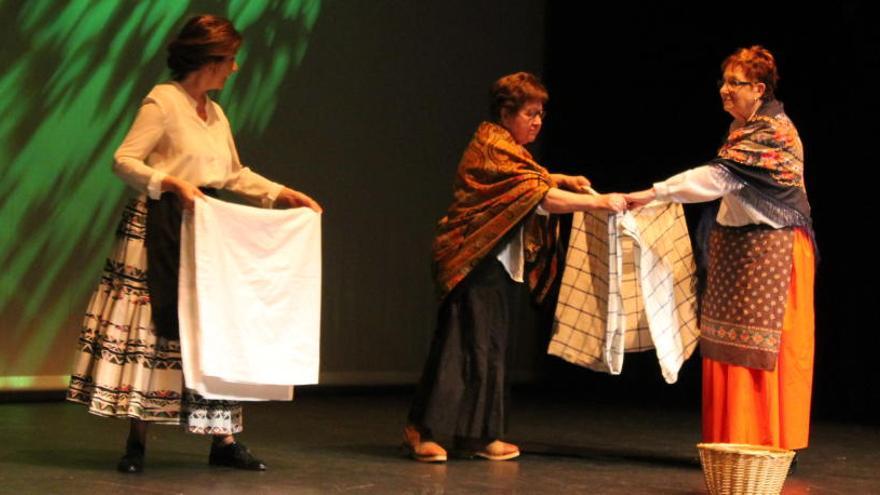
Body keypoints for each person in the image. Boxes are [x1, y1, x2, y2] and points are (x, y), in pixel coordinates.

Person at [66, 14, 321, 473]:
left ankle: (223, 439)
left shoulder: (216, 113)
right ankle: (137, 441)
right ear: (209, 60)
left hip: (205, 231)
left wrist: (280, 193)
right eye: (231, 60)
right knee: (153, 323)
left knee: (214, 330)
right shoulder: (164, 102)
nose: (236, 69)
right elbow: (124, 160)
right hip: (158, 227)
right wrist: (169, 183)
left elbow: (231, 173)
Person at [404, 72, 627, 462]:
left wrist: (561, 178)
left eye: (541, 114)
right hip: (471, 258)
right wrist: (597, 202)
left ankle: (479, 435)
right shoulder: (491, 146)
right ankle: (422, 429)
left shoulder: (510, 150)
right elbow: (535, 196)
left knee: (489, 347)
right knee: (459, 346)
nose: (538, 121)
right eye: (530, 113)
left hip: (497, 262)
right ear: (506, 113)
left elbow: (533, 181)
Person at [625, 46, 815, 454]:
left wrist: (652, 194)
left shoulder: (773, 132)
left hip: (774, 251)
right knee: (727, 344)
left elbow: (716, 180)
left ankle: (766, 443)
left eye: (735, 83)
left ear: (759, 89)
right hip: (741, 249)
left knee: (761, 348)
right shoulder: (741, 130)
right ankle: (732, 440)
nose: (725, 91)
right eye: (723, 82)